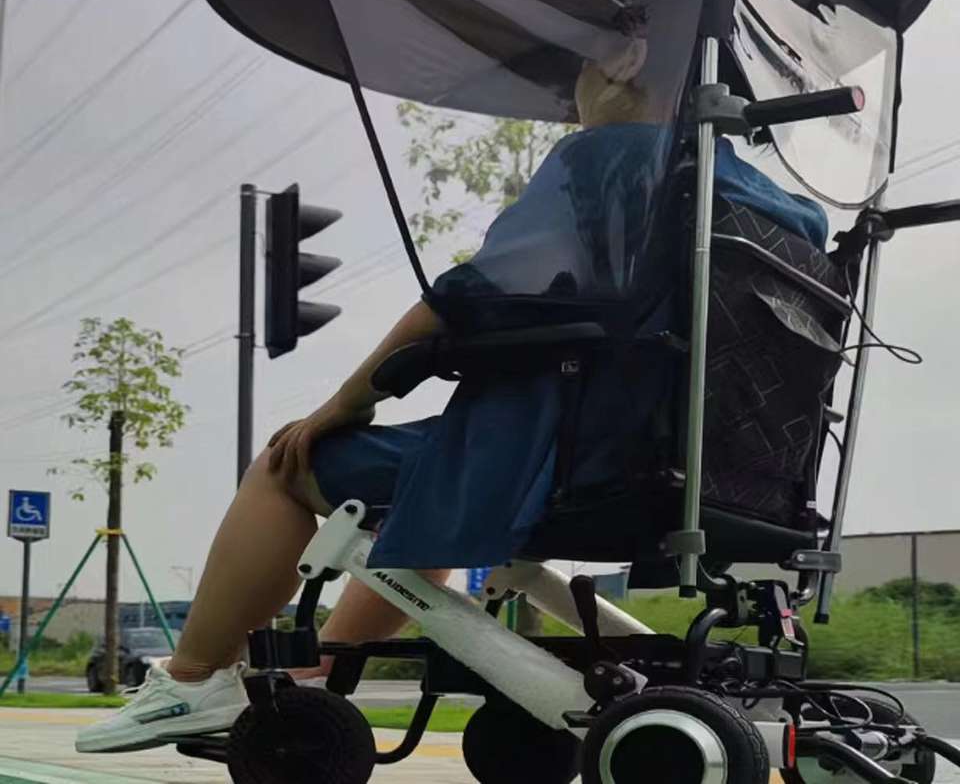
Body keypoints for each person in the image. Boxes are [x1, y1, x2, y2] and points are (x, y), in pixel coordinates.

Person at [77, 46, 828, 753]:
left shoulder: (615, 158)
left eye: (578, 71)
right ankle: (314, 682)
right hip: (730, 480)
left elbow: (465, 298)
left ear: (623, 64)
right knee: (429, 489)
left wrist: (344, 404)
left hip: (580, 462)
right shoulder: (784, 209)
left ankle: (191, 680)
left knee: (284, 462)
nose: (573, 92)